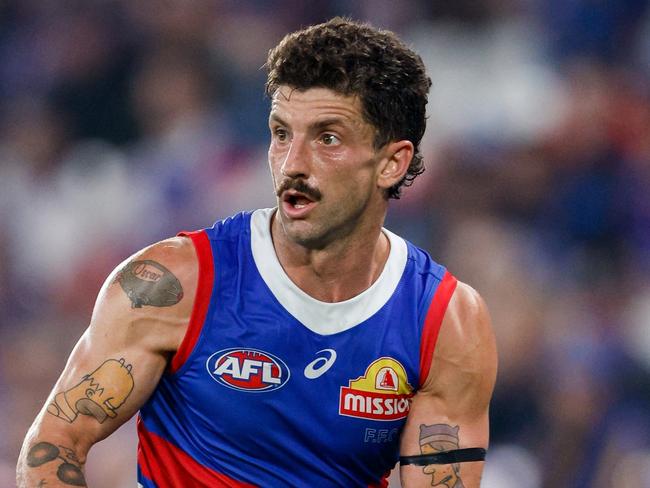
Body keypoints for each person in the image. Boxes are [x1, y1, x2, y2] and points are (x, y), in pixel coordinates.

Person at [17, 17, 497, 488]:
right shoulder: (174, 283)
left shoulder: (445, 322)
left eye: (327, 138)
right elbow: (53, 446)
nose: (292, 164)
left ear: (393, 162)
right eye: (282, 133)